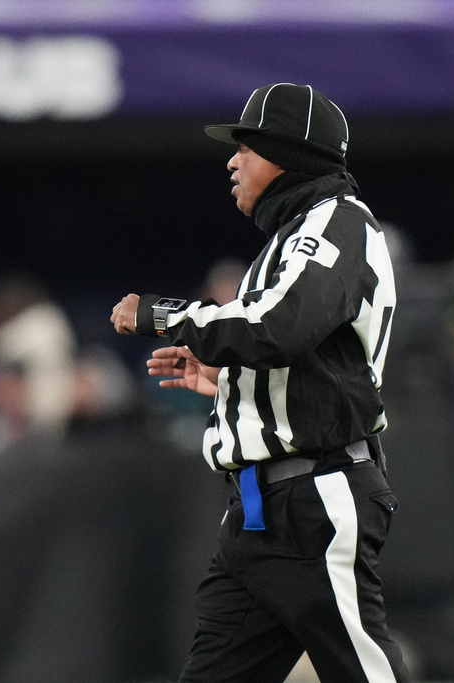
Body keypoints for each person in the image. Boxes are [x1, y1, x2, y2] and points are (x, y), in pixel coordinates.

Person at [110, 83, 409, 682]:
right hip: (259, 511)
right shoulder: (292, 236)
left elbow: (280, 326)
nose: (232, 159)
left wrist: (167, 314)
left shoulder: (336, 224)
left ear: (288, 153)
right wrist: (229, 385)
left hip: (314, 495)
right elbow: (308, 360)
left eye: (246, 146)